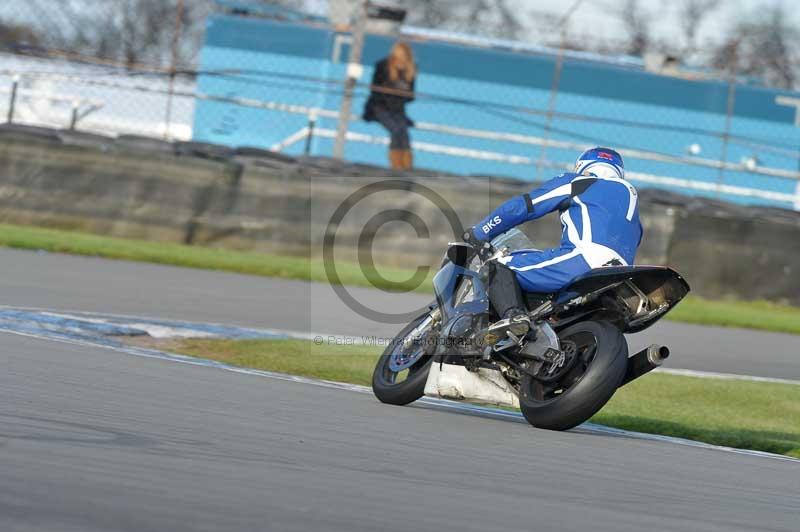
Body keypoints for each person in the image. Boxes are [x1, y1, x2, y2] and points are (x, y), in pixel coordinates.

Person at [463, 147, 643, 344]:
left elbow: (522, 207)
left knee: (494, 268)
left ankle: (514, 318)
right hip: (623, 275)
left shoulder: (579, 182)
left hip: (583, 261)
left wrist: (479, 233)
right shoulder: (631, 200)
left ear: (582, 167)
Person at [363, 41, 416, 170]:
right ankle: (396, 165)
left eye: (404, 56)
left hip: (397, 109)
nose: (401, 59)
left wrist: (401, 94)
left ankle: (407, 165)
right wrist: (391, 93)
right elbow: (375, 90)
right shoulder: (383, 66)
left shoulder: (410, 71)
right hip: (380, 107)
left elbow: (410, 96)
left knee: (404, 132)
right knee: (396, 129)